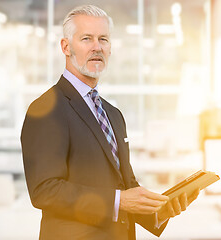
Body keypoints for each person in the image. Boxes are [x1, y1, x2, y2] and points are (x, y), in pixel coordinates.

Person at [21, 5, 199, 240]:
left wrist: (161, 210)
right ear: (66, 47)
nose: (97, 47)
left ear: (110, 48)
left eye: (103, 39)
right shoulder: (47, 109)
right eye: (87, 38)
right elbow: (45, 191)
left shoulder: (113, 114)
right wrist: (119, 201)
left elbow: (127, 187)